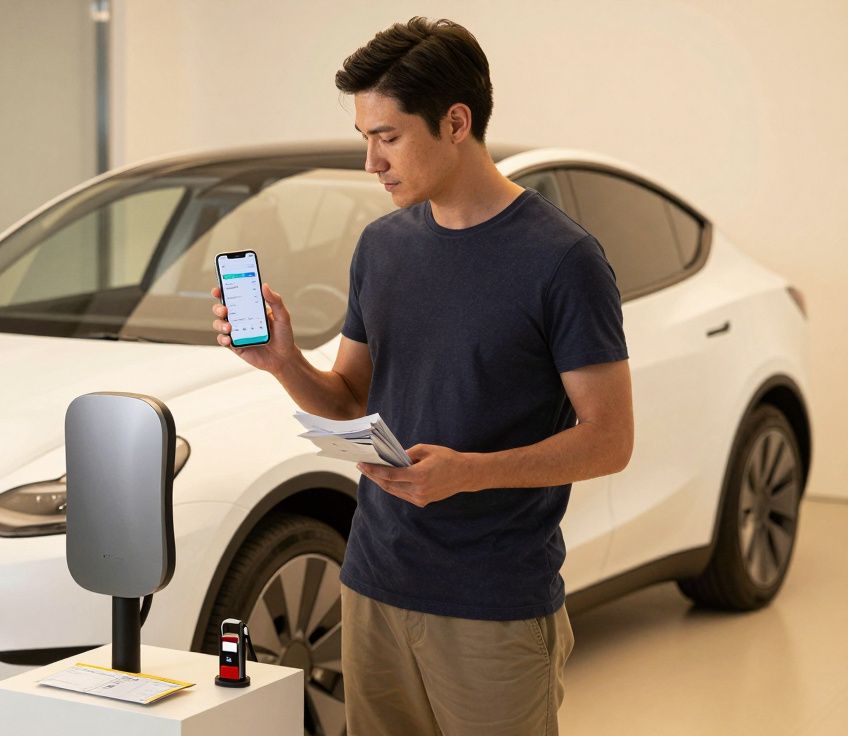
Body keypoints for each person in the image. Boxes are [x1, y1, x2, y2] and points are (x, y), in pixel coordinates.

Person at [209, 16, 634, 736]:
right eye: (364, 138)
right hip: (373, 584)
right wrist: (284, 362)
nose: (371, 162)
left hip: (492, 604)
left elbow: (609, 440)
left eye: (388, 137)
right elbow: (348, 396)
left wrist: (468, 473)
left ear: (456, 122)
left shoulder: (564, 261)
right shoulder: (382, 247)